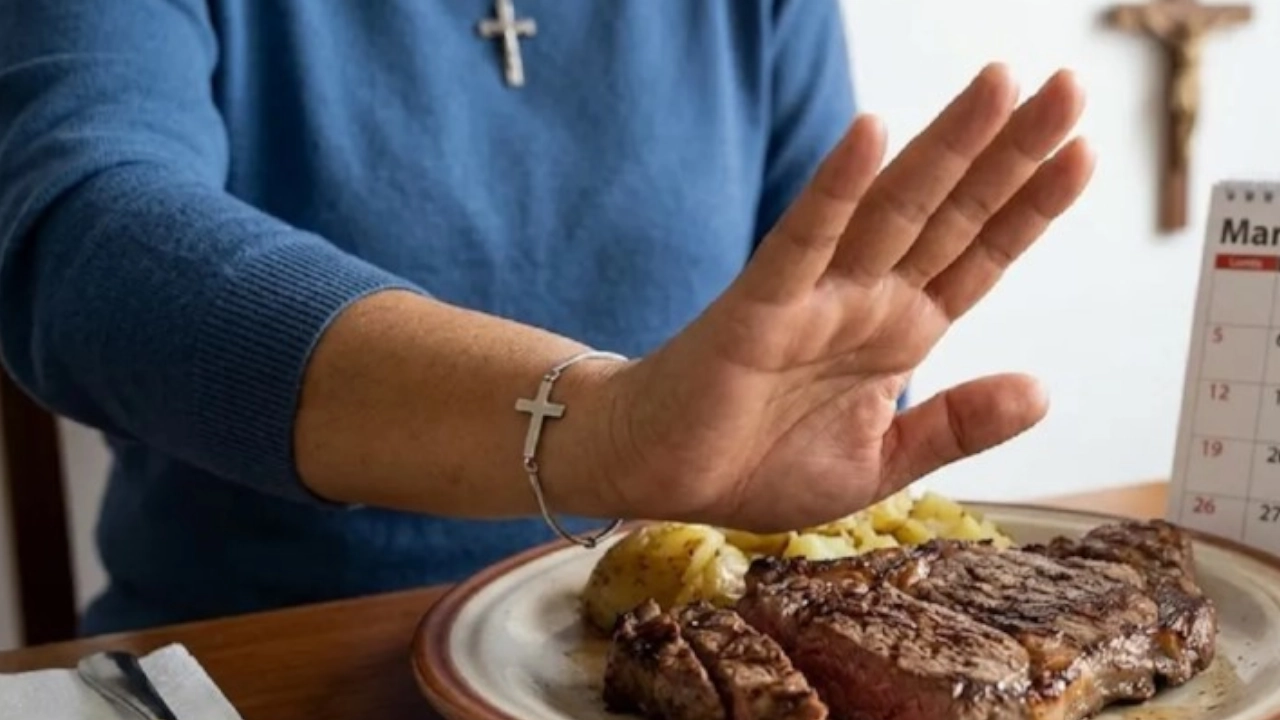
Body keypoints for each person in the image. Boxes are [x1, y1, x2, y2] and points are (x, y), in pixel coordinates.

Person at [0, 0, 1093, 636]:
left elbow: (824, 335)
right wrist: (604, 430)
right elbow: (79, 237)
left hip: (668, 661)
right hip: (265, 657)